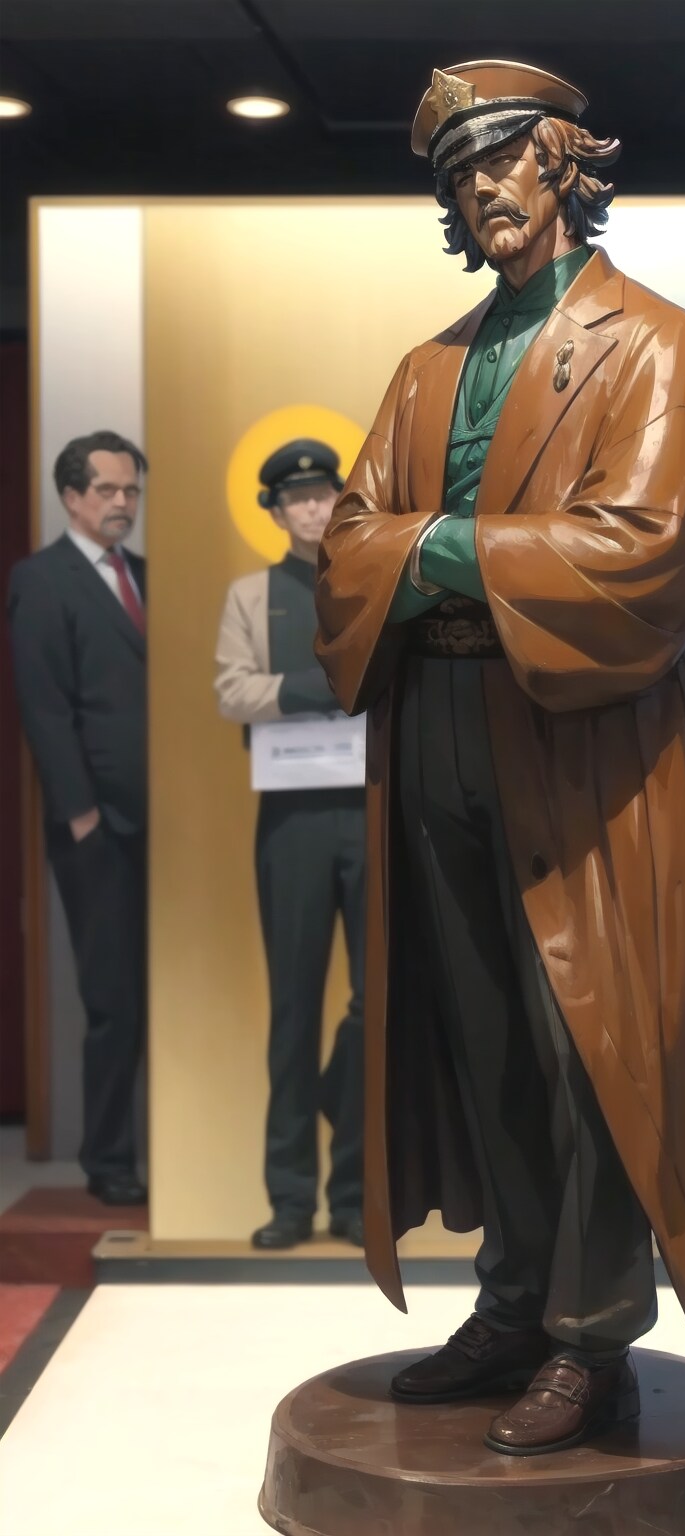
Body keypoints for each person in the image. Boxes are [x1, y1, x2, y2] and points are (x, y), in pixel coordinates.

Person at [316, 61, 685, 1455]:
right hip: (438, 725)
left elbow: (644, 550)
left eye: (504, 157)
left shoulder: (655, 342)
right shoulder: (429, 364)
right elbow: (346, 542)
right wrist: (438, 554)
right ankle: (513, 1302)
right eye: (458, 173)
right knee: (481, 1036)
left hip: (585, 735)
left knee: (590, 1038)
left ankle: (592, 1336)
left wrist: (435, 548)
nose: (482, 187)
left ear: (565, 161)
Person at [215, 439, 365, 1250]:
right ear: (275, 512)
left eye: (322, 494)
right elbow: (232, 691)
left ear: (341, 500)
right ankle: (290, 1198)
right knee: (294, 1008)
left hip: (371, 809)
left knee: (378, 1008)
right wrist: (325, 688)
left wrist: (292, 693)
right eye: (295, 498)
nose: (311, 507)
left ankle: (357, 1196)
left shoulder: (371, 581)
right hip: (291, 817)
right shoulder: (251, 595)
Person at [8, 430, 149, 1205]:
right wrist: (82, 816)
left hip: (169, 828)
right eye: (107, 490)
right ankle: (110, 1160)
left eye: (132, 491)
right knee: (113, 1001)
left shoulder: (149, 576)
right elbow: (44, 708)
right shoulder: (41, 580)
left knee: (167, 994)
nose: (122, 503)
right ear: (71, 496)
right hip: (99, 831)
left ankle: (175, 1155)